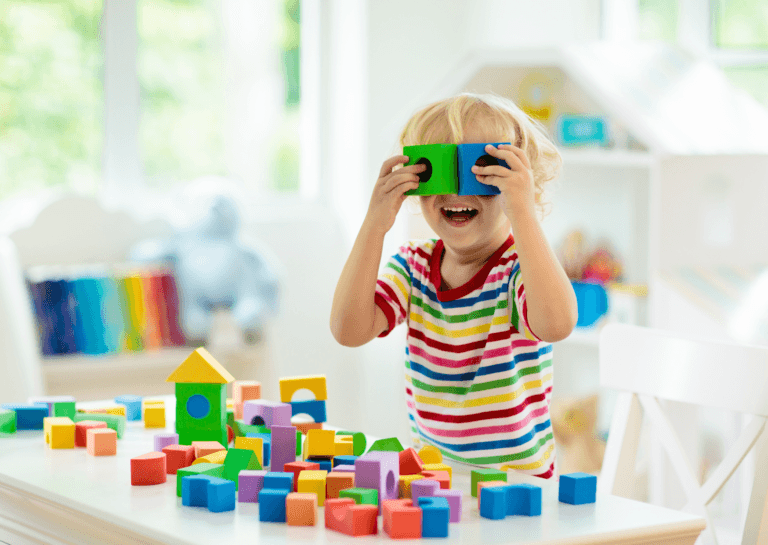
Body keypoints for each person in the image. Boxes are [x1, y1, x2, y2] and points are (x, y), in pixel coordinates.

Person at [330, 92, 577, 479]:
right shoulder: (413, 268)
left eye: (484, 172)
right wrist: (374, 225)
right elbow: (348, 330)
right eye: (438, 171)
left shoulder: (517, 272)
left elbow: (557, 324)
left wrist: (523, 213)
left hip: (517, 487)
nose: (458, 192)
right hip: (436, 482)